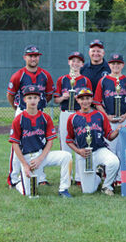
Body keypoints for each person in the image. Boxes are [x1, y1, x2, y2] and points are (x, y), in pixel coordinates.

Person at [8, 85, 72, 198]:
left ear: (39, 99)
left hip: (42, 155)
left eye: (35, 97)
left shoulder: (45, 118)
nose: (32, 100)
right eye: (29, 97)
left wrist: (40, 158)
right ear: (24, 100)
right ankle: (19, 183)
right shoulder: (19, 119)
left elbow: (50, 141)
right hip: (27, 158)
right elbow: (15, 144)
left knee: (66, 156)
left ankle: (63, 189)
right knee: (28, 193)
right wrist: (25, 165)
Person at [7, 45, 54, 188]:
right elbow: (10, 94)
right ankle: (14, 178)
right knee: (17, 146)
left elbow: (49, 94)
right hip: (22, 111)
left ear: (39, 57)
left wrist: (40, 105)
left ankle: (40, 177)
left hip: (40, 113)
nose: (33, 58)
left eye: (35, 55)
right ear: (25, 57)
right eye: (30, 56)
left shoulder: (45, 75)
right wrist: (17, 108)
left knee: (41, 143)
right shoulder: (18, 75)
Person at [66, 88, 120, 196]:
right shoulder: (73, 118)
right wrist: (78, 151)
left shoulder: (100, 115)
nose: (85, 101)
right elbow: (69, 140)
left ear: (92, 99)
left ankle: (107, 186)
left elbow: (109, 136)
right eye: (82, 99)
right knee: (88, 191)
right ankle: (99, 175)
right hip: (84, 154)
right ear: (77, 100)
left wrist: (118, 130)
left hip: (100, 149)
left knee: (114, 161)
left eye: (88, 98)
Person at [94, 53, 126, 185]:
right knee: (110, 149)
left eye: (118, 63)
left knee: (123, 148)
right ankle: (109, 178)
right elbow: (97, 102)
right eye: (113, 63)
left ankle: (121, 178)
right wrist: (106, 116)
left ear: (122, 65)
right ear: (109, 65)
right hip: (109, 120)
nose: (115, 66)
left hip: (125, 119)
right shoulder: (103, 81)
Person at [54, 51, 92, 185]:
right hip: (65, 112)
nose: (75, 64)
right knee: (66, 145)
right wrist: (63, 97)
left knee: (80, 142)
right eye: (73, 61)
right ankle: (67, 176)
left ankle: (79, 177)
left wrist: (81, 100)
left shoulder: (85, 80)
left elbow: (90, 100)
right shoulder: (62, 79)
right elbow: (56, 100)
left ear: (82, 64)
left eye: (78, 61)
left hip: (79, 113)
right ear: (69, 62)